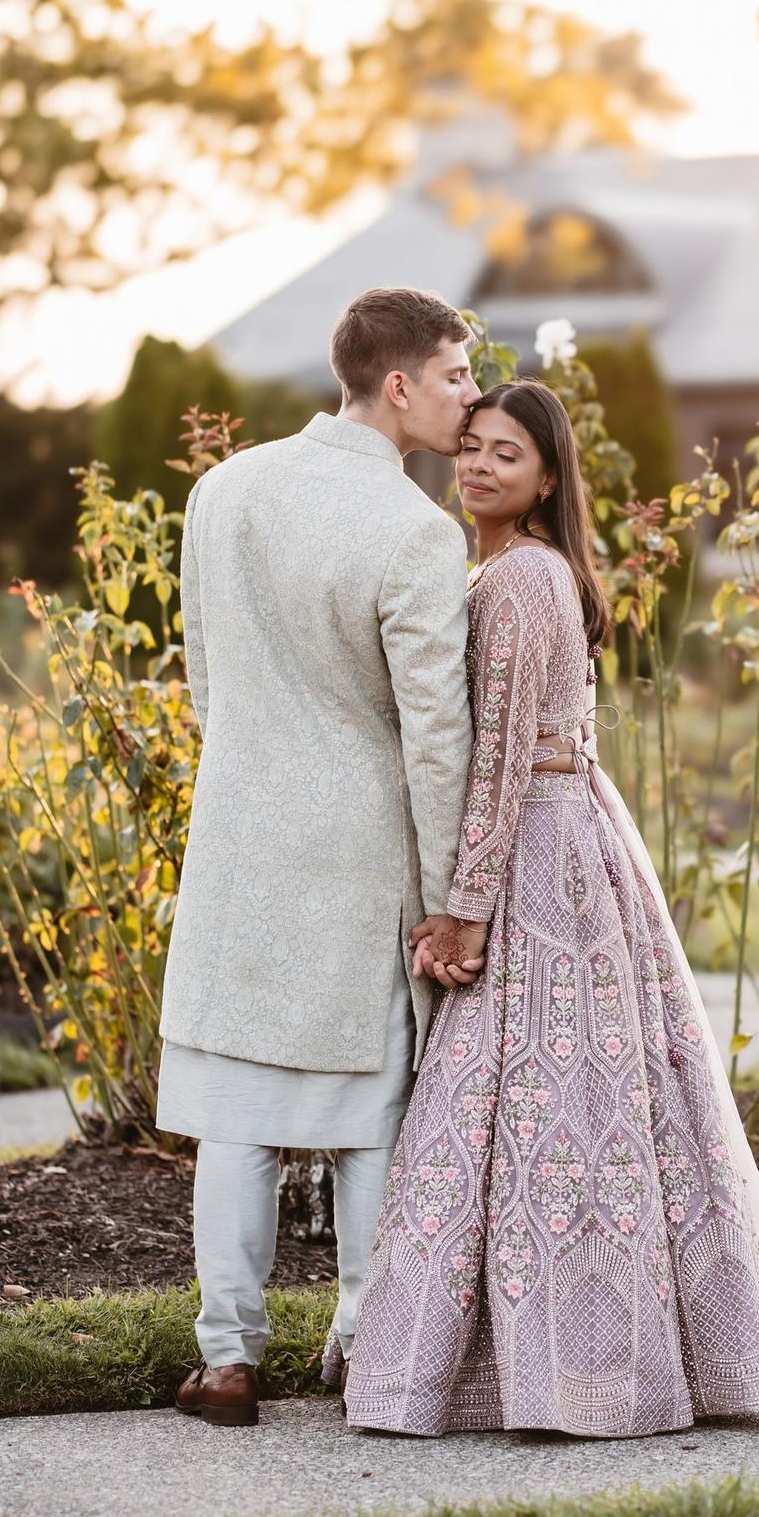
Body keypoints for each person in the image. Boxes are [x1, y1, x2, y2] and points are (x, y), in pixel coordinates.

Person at [343, 378, 759, 1439]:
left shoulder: (519, 577)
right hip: (565, 836)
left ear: (548, 476)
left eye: (504, 454)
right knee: (566, 1106)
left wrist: (465, 906)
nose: (476, 465)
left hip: (543, 857)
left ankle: (570, 1364)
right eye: (468, 445)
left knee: (536, 1106)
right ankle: (574, 1353)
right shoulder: (514, 568)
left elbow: (503, 758)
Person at [159, 286, 487, 1428]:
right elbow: (436, 733)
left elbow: (205, 678)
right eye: (455, 375)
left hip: (239, 829)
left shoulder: (221, 491)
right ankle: (359, 1341)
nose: (470, 396)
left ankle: (226, 1359)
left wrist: (254, 767)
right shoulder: (416, 532)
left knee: (234, 1105)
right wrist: (456, 896)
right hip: (362, 849)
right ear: (397, 386)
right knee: (366, 1107)